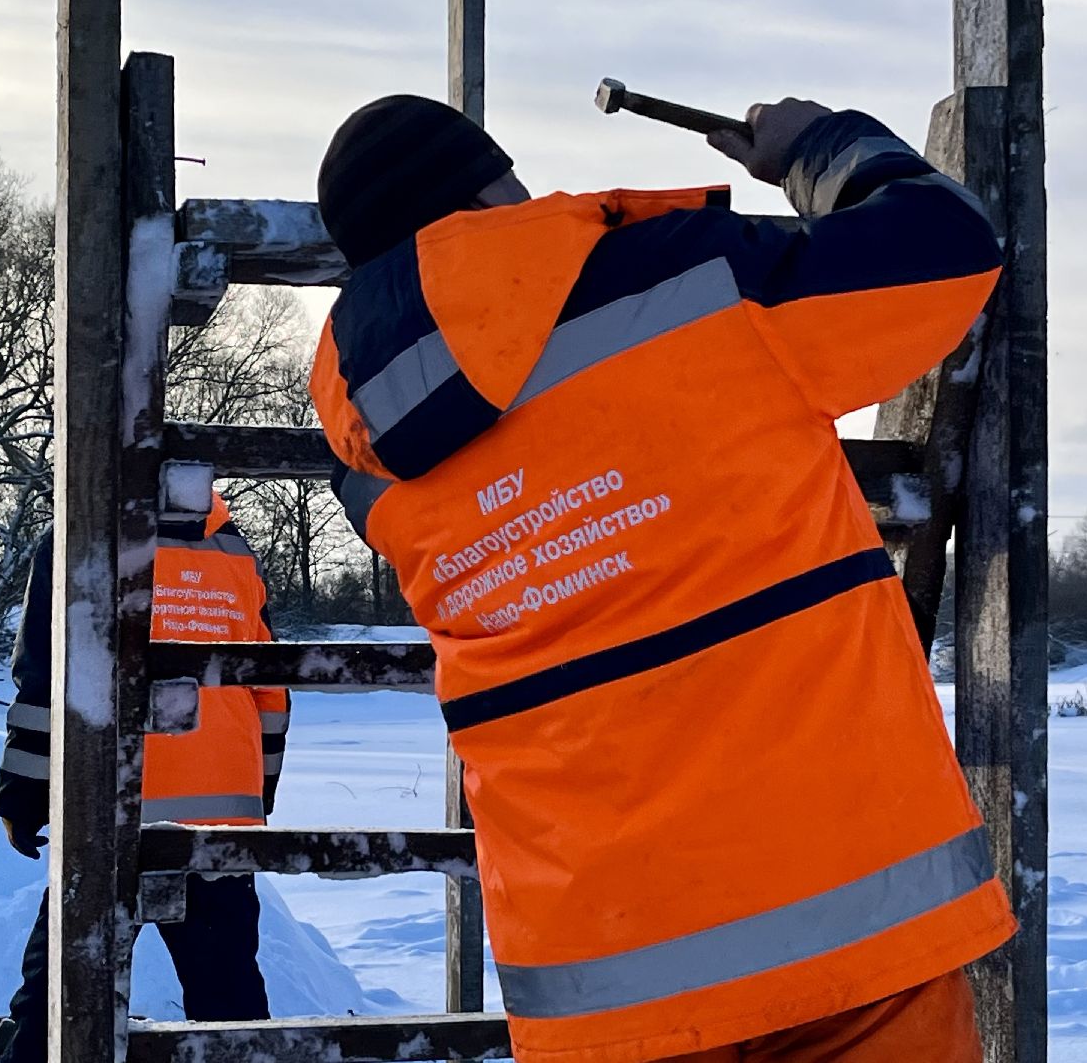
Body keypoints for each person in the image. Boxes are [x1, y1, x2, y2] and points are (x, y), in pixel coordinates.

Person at [308, 94, 1015, 1062]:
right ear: (489, 188)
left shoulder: (368, 461)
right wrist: (814, 149)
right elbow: (946, 248)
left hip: (601, 967)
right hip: (848, 906)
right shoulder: (687, 280)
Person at [0, 492, 287, 1060]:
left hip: (109, 814)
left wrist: (24, 795)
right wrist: (258, 796)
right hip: (220, 826)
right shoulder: (233, 548)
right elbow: (271, 690)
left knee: (57, 1004)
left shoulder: (81, 533)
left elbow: (47, 677)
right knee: (229, 1006)